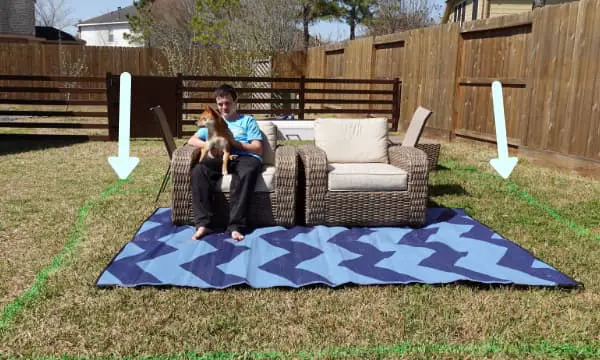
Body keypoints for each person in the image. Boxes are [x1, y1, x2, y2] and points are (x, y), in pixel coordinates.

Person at [188, 84, 263, 241]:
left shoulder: (247, 121)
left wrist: (234, 143)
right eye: (220, 104)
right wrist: (210, 146)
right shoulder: (215, 121)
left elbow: (257, 148)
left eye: (228, 103)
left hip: (244, 156)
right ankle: (203, 224)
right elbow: (192, 140)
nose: (224, 107)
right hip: (220, 156)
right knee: (199, 171)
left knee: (246, 172)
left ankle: (236, 226)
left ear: (236, 102)